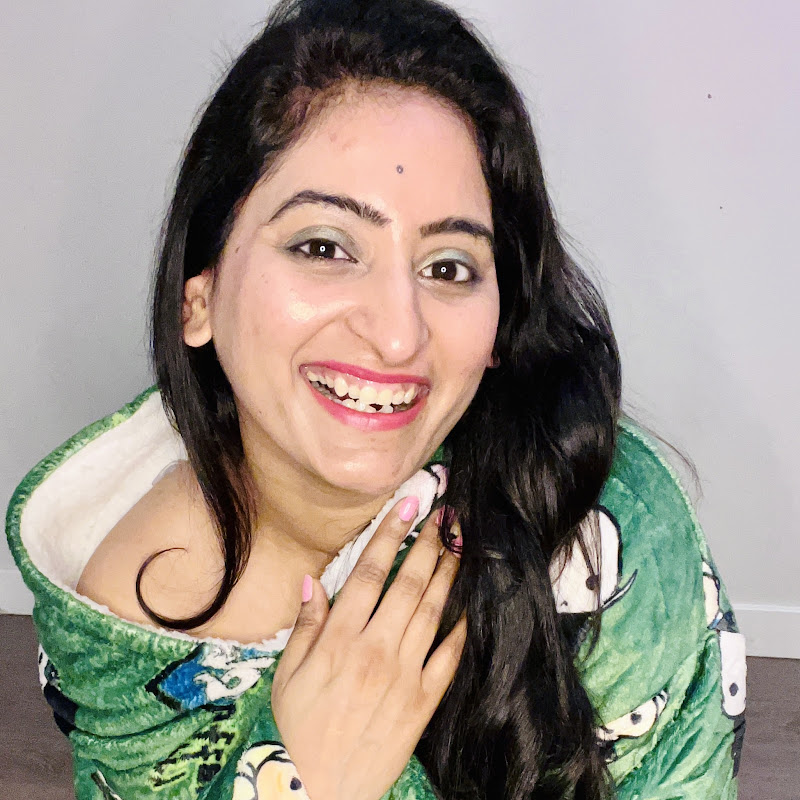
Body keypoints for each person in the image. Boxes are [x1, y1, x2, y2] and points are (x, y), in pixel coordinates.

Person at [6, 0, 746, 798]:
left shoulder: (603, 521)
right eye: (324, 247)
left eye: (449, 267)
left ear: (500, 327)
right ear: (200, 299)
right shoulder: (124, 616)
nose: (397, 335)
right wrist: (306, 777)